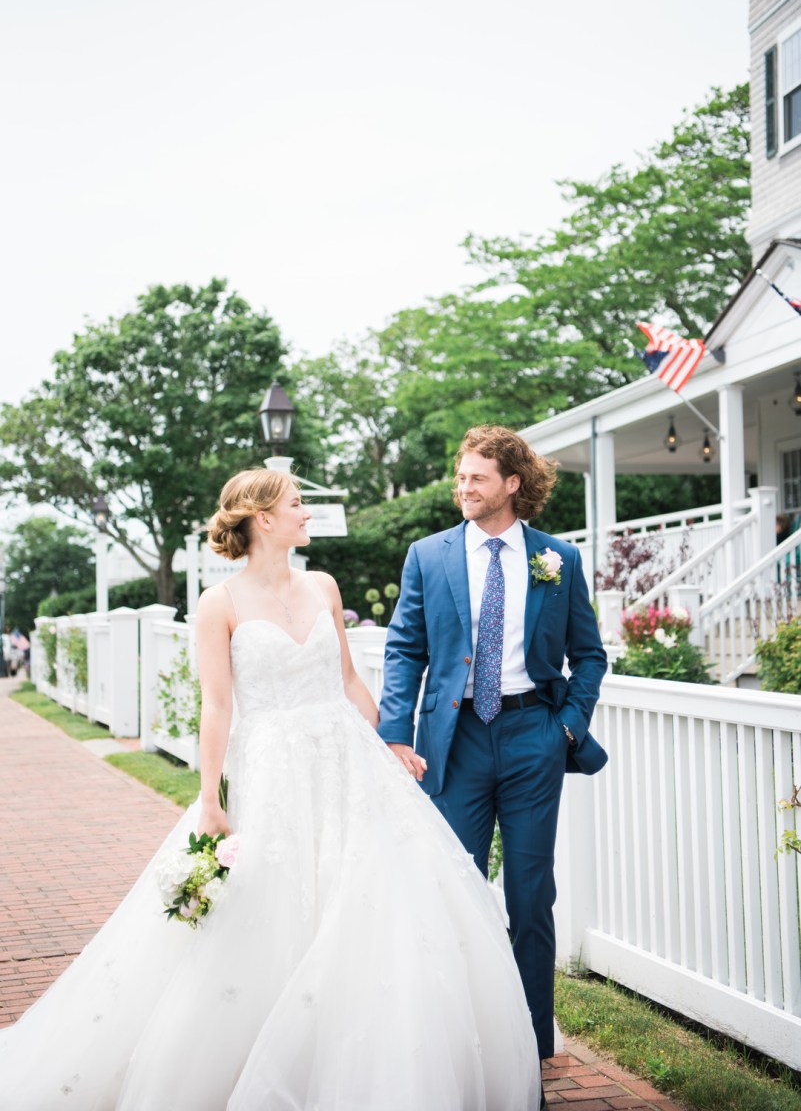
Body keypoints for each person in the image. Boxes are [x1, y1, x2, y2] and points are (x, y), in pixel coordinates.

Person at [0, 467, 539, 1110]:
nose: (307, 513)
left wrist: (391, 743)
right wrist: (209, 798)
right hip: (272, 772)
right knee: (270, 910)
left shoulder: (324, 585)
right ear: (262, 518)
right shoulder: (219, 604)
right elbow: (217, 708)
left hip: (347, 767)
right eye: (297, 503)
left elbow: (346, 678)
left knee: (371, 902)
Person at [378, 425, 608, 1104]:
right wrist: (395, 733)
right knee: (454, 890)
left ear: (511, 483)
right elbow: (403, 649)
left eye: (475, 478)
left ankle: (533, 1038)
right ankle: (456, 1035)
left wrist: (567, 727)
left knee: (530, 894)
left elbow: (588, 654)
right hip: (455, 741)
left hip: (533, 734)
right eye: (460, 476)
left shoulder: (557, 559)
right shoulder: (429, 556)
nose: (462, 488)